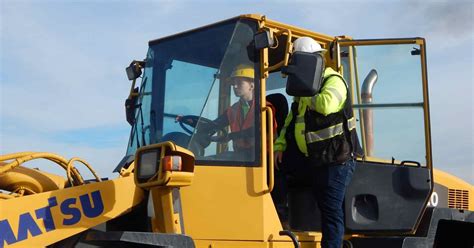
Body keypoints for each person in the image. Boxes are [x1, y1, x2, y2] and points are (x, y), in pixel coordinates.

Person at [274, 37, 363, 248]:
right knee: (281, 175)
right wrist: (280, 147)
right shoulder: (303, 88)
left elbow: (326, 105)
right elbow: (291, 120)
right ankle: (282, 220)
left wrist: (306, 91)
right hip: (315, 158)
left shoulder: (334, 81)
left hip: (336, 160)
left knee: (330, 211)